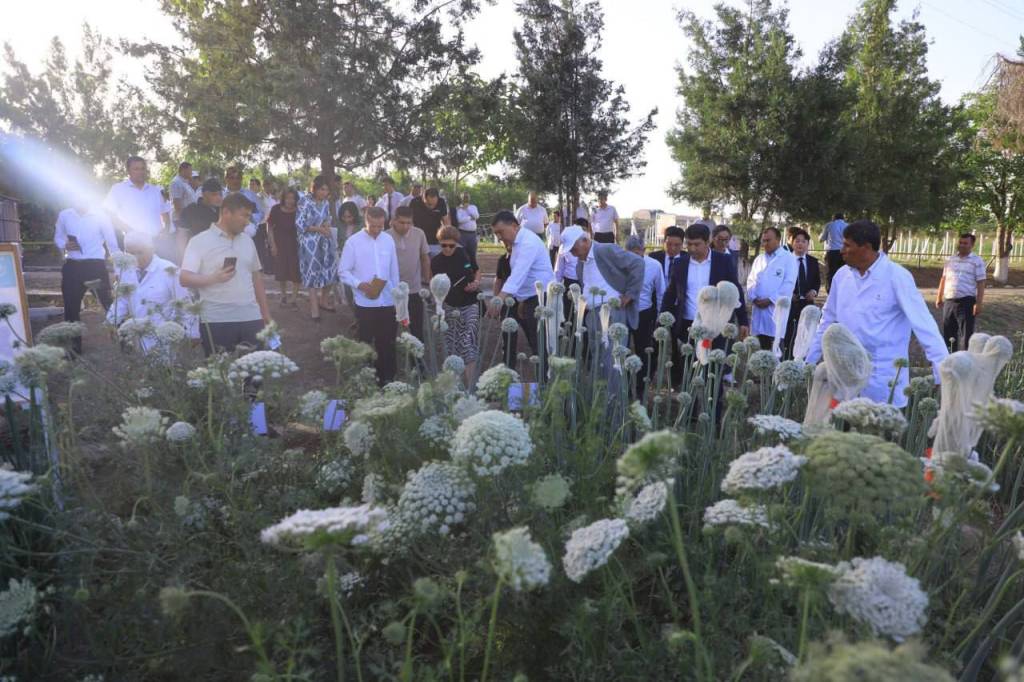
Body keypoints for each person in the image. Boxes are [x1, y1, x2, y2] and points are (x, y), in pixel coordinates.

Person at [805, 219, 948, 407]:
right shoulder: (842, 276)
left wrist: (942, 371)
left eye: (847, 245)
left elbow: (924, 325)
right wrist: (808, 361)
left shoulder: (896, 277)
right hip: (844, 377)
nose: (841, 250)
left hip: (883, 379)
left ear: (866, 248)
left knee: (878, 424)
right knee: (841, 423)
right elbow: (827, 320)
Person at [180, 192, 272, 355]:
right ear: (226, 212)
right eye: (244, 215)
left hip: (251, 317)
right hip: (217, 320)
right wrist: (213, 278)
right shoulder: (199, 241)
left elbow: (256, 278)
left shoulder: (248, 241)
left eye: (249, 216)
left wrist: (265, 314)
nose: (247, 222)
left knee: (254, 369)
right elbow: (184, 278)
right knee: (221, 370)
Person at [660, 223, 749, 386]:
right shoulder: (680, 264)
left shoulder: (723, 261)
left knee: (714, 370)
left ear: (708, 242)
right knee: (689, 370)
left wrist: (743, 320)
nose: (692, 248)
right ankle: (691, 401)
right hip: (688, 326)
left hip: (716, 325)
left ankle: (714, 401)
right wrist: (662, 319)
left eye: (697, 244)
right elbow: (671, 293)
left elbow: (735, 290)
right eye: (689, 244)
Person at [339, 206, 401, 384]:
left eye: (380, 226)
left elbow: (394, 272)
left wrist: (397, 298)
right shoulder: (353, 242)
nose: (376, 230)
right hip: (364, 303)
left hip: (387, 301)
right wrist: (360, 284)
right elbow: (343, 271)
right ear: (365, 221)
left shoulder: (388, 240)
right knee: (365, 342)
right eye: (373, 226)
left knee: (387, 342)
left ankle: (387, 380)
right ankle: (366, 380)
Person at [106, 231, 198, 353]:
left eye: (140, 252)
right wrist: (110, 321)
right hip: (138, 334)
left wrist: (193, 333)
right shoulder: (126, 271)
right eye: (131, 253)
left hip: (165, 336)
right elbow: (122, 300)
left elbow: (184, 302)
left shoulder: (169, 270)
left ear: (152, 249)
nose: (136, 257)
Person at [487, 210, 554, 370]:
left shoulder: (528, 242)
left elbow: (518, 274)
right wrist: (519, 298)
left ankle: (544, 379)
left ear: (514, 226)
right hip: (525, 297)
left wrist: (498, 299)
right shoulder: (517, 242)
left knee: (537, 342)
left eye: (501, 232)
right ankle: (509, 371)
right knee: (513, 335)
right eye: (496, 234)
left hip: (539, 296)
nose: (499, 237)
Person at [54, 201, 120, 355]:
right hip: (72, 266)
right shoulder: (65, 215)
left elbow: (112, 244)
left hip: (96, 266)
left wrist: (118, 270)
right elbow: (58, 238)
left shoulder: (101, 215)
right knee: (71, 309)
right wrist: (64, 245)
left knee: (109, 305)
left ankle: (124, 341)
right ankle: (74, 349)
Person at [431, 225, 482, 382]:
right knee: (451, 344)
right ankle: (453, 385)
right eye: (444, 245)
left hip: (469, 303)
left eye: (451, 245)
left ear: (457, 243)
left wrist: (476, 283)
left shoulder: (464, 254)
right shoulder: (436, 262)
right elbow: (436, 287)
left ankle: (471, 385)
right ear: (439, 243)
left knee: (468, 342)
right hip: (449, 305)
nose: (447, 249)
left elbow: (476, 270)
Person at [747, 226, 798, 351]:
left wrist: (770, 300)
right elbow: (751, 281)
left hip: (775, 311)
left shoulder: (788, 258)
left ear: (778, 240)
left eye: (768, 240)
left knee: (775, 350)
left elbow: (788, 284)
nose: (765, 243)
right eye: (763, 241)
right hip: (758, 311)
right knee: (757, 350)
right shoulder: (759, 259)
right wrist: (754, 298)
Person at [296, 176, 338, 323]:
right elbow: (300, 224)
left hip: (325, 240)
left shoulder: (325, 202)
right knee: (312, 274)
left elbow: (327, 218)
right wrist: (319, 229)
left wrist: (326, 225)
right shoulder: (304, 201)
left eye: (326, 190)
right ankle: (314, 310)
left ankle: (323, 301)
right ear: (314, 188)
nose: (324, 192)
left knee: (331, 271)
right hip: (309, 243)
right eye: (321, 189)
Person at [626, 234, 665, 391]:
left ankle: (641, 385)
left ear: (644, 250)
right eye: (631, 255)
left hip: (644, 312)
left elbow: (661, 291)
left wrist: (660, 315)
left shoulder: (654, 266)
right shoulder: (619, 263)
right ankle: (623, 384)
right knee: (623, 347)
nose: (634, 258)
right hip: (623, 311)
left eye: (638, 254)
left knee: (643, 349)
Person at [386, 206, 431, 340]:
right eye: (402, 222)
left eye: (408, 223)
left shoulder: (419, 234)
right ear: (394, 220)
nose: (405, 226)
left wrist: (427, 281)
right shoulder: (385, 237)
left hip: (414, 288)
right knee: (390, 329)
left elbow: (425, 258)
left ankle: (418, 352)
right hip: (391, 290)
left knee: (417, 328)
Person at [936, 233, 986, 351]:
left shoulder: (977, 261)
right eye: (960, 242)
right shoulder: (950, 259)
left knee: (966, 335)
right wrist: (939, 296)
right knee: (948, 334)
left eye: (965, 243)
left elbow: (981, 282)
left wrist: (978, 304)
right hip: (949, 301)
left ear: (972, 245)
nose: (962, 245)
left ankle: (965, 359)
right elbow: (944, 278)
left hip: (966, 302)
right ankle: (950, 358)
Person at [103, 156, 170, 245]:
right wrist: (130, 231)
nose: (140, 172)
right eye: (136, 169)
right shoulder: (118, 189)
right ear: (128, 171)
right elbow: (109, 214)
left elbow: (165, 214)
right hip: (134, 244)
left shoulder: (155, 191)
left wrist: (165, 231)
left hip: (158, 243)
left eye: (143, 168)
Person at [783, 228, 821, 358]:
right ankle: (787, 359)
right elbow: (780, 282)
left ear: (808, 244)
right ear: (792, 243)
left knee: (807, 335)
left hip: (808, 304)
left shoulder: (813, 261)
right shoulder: (785, 260)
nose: (800, 244)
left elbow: (817, 281)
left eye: (803, 241)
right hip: (791, 304)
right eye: (797, 241)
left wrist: (814, 291)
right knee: (790, 335)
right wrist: (788, 294)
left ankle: (804, 360)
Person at [268, 188, 302, 306]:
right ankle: (283, 295)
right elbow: (270, 228)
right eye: (287, 198)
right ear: (283, 198)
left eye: (293, 198)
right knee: (281, 271)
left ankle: (294, 298)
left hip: (295, 245)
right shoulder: (276, 209)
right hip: (280, 244)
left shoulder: (300, 210)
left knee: (296, 272)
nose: (290, 201)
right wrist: (272, 245)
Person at [410, 187, 450, 256]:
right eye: (429, 204)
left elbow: (446, 221)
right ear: (423, 198)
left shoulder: (441, 202)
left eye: (434, 204)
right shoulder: (415, 202)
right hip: (418, 239)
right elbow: (409, 220)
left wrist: (447, 237)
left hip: (435, 240)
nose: (432, 207)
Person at [250, 178, 274, 277]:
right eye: (250, 184)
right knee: (260, 247)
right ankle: (262, 267)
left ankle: (270, 267)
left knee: (269, 245)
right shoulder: (258, 197)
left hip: (269, 224)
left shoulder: (271, 197)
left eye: (253, 184)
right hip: (259, 225)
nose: (251, 186)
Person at [819, 212, 847, 292]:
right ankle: (843, 290)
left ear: (833, 218)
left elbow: (821, 239)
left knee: (831, 272)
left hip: (832, 252)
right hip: (845, 252)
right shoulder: (847, 226)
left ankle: (830, 291)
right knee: (844, 272)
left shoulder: (829, 225)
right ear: (843, 218)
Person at [169, 162, 197, 231]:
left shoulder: (185, 182)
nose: (191, 173)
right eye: (190, 170)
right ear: (183, 170)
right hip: (182, 220)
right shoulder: (176, 183)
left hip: (189, 218)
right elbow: (177, 204)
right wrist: (183, 221)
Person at [455, 192, 480, 261]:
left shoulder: (473, 207)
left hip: (473, 234)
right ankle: (465, 267)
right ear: (461, 198)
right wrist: (470, 217)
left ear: (469, 198)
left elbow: (476, 216)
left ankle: (472, 267)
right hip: (462, 234)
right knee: (463, 254)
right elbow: (460, 220)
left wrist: (467, 209)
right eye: (464, 197)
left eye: (467, 197)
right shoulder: (458, 209)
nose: (466, 198)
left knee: (472, 253)